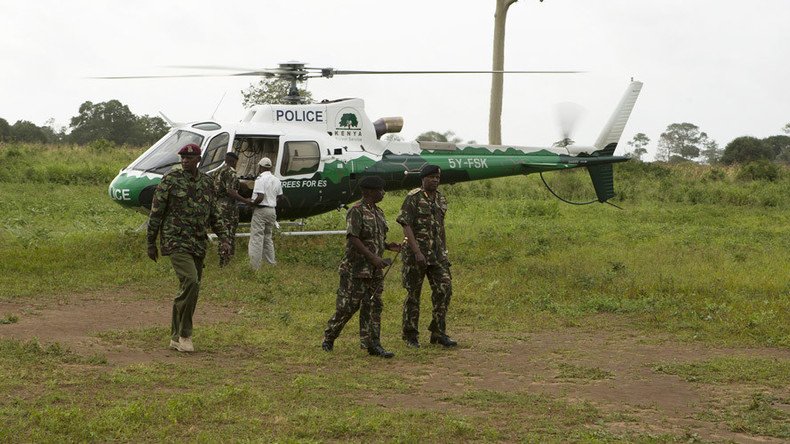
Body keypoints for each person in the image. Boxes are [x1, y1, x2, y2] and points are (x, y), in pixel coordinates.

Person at [146, 143, 231, 353]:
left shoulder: (207, 183)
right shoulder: (171, 180)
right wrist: (151, 241)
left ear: (198, 160)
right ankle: (185, 335)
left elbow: (214, 214)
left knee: (191, 290)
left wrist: (225, 239)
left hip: (198, 243)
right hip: (175, 241)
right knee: (191, 281)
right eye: (182, 158)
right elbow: (156, 211)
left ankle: (175, 337)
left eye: (189, 158)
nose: (185, 161)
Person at [322, 176, 401, 358]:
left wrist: (389, 246)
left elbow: (376, 238)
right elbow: (353, 238)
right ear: (369, 192)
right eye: (380, 190)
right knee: (348, 307)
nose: (383, 193)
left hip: (374, 270)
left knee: (374, 306)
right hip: (355, 270)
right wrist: (373, 257)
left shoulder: (379, 212)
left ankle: (373, 344)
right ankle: (329, 337)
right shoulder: (356, 211)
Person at [397, 164, 457, 348]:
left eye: (437, 178)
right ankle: (410, 335)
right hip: (416, 256)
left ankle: (438, 332)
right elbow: (406, 225)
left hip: (437, 255)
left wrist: (444, 251)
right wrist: (416, 252)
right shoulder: (413, 198)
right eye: (431, 177)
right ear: (423, 179)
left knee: (444, 289)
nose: (435, 180)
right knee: (413, 295)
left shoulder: (440, 198)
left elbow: (441, 226)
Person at [213, 151, 253, 267]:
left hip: (218, 205)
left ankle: (223, 259)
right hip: (228, 207)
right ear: (235, 161)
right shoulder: (231, 172)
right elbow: (231, 192)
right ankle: (225, 262)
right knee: (229, 233)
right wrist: (246, 201)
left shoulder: (218, 171)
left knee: (222, 232)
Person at [248, 157, 283, 269]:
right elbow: (280, 196)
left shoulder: (260, 179)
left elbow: (260, 196)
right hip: (272, 211)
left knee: (257, 238)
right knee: (268, 237)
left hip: (261, 210)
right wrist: (272, 202)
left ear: (261, 167)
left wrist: (251, 204)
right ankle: (271, 263)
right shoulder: (276, 179)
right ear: (270, 167)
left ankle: (254, 266)